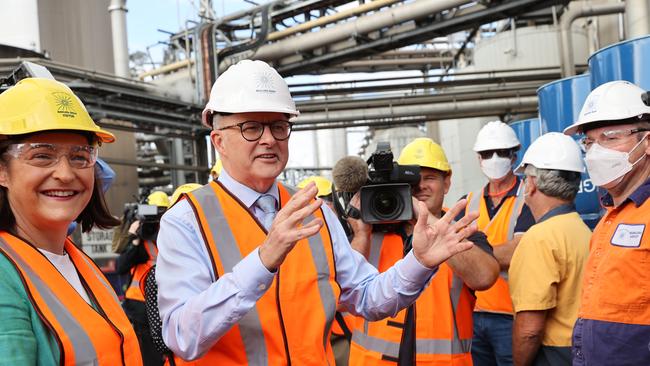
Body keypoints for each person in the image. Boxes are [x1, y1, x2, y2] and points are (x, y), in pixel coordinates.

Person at [155, 59, 479, 364]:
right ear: (219, 140)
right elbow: (182, 336)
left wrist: (418, 263)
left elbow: (367, 297)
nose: (269, 139)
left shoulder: (316, 212)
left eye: (279, 126)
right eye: (251, 127)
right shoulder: (186, 221)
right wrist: (263, 260)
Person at [0, 78, 142, 365]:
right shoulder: (5, 276)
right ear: (2, 171)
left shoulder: (76, 261)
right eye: (42, 155)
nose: (65, 174)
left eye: (80, 157)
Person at [347, 137, 500, 365]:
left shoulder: (460, 231)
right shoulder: (372, 230)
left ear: (447, 183)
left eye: (430, 178)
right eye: (413, 180)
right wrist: (360, 234)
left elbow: (485, 277)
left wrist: (428, 220)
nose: (420, 186)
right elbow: (343, 286)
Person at [563, 80, 650, 365]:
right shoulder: (610, 216)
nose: (596, 151)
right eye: (589, 141)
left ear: (647, 142)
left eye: (610, 137)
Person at [507, 132, 591, 366]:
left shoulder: (539, 238)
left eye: (525, 179)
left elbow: (529, 330)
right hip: (582, 350)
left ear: (532, 184)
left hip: (553, 356)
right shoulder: (583, 229)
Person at [457, 121, 535, 366]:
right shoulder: (467, 202)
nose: (494, 158)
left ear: (514, 154)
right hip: (473, 312)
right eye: (487, 154)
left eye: (501, 152)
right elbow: (454, 253)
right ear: (479, 158)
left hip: (513, 314)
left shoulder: (531, 196)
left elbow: (520, 251)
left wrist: (472, 258)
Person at [117, 191, 170, 366]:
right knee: (149, 354)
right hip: (140, 304)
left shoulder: (171, 237)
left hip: (164, 302)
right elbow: (121, 267)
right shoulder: (141, 241)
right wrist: (133, 238)